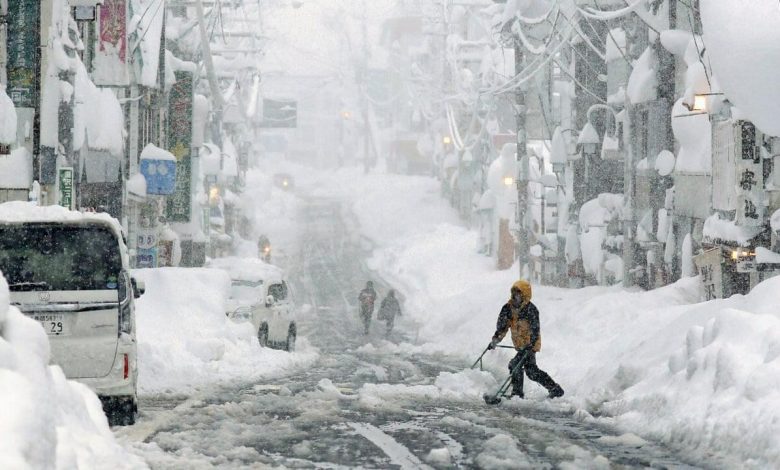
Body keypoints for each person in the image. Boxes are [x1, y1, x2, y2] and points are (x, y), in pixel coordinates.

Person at [488, 280, 564, 399]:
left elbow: (535, 329)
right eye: (513, 293)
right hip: (521, 345)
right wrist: (495, 340)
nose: (515, 297)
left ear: (524, 295)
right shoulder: (507, 309)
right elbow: (502, 327)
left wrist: (531, 344)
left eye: (518, 294)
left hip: (530, 345)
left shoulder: (531, 310)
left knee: (515, 365)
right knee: (531, 372)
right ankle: (555, 389)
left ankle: (517, 394)